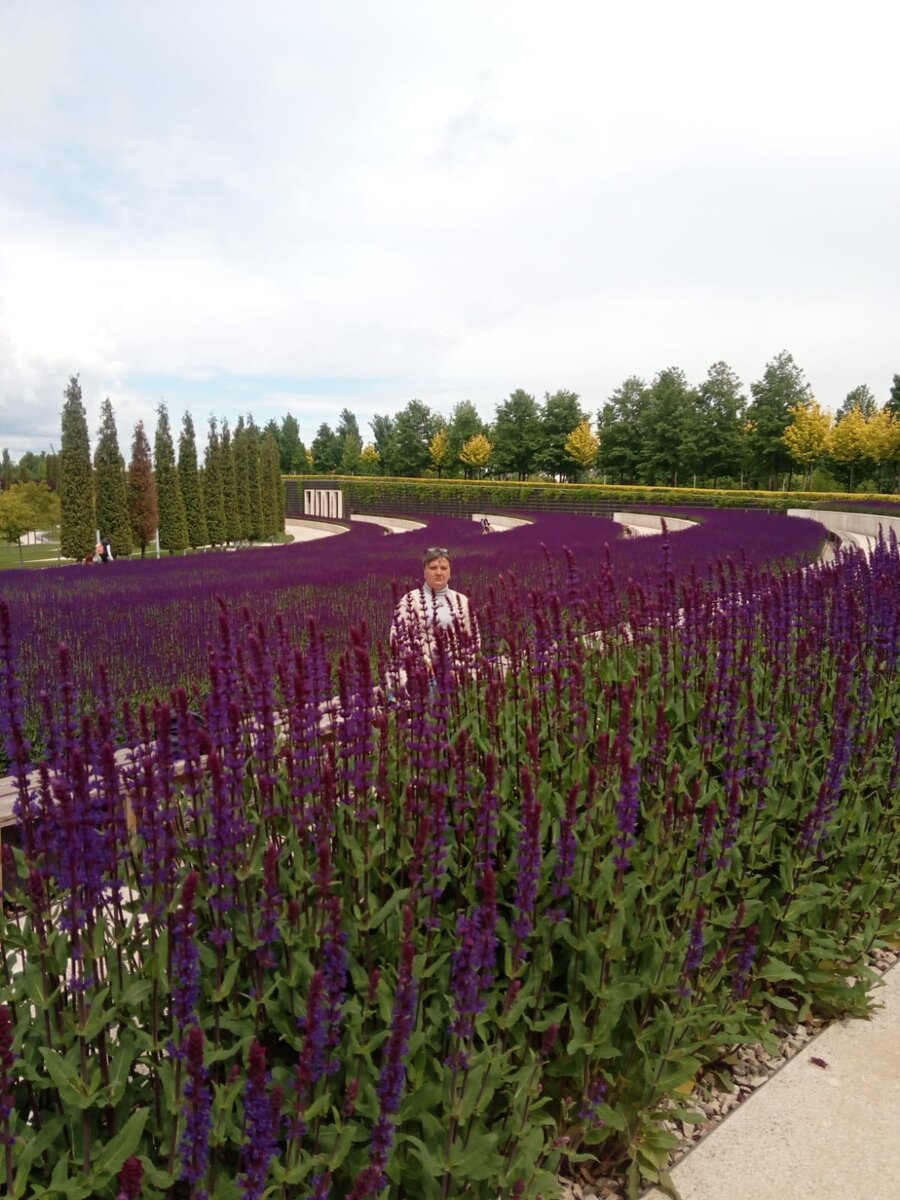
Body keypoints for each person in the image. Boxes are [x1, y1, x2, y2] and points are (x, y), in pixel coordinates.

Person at [390, 547, 478, 683]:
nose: (438, 572)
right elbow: (397, 639)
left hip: (457, 669)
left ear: (450, 572)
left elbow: (474, 640)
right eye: (433, 568)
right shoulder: (411, 600)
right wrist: (424, 662)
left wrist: (459, 667)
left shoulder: (462, 601)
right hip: (419, 669)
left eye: (443, 568)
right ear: (424, 571)